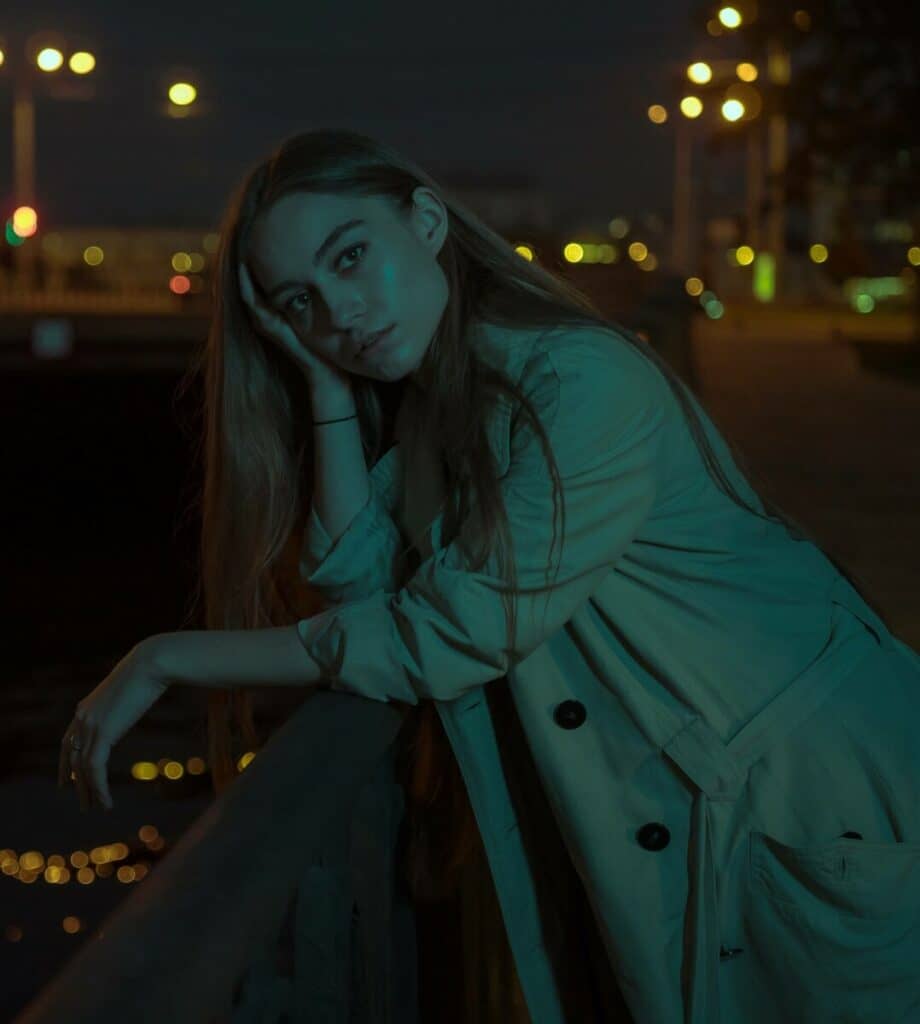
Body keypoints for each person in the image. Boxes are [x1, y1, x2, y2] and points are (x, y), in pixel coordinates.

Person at [178, 129, 920, 1023]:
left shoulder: (576, 378)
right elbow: (362, 592)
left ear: (424, 220)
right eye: (301, 301)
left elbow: (451, 634)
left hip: (805, 796)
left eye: (351, 256)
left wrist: (171, 658)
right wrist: (326, 393)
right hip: (717, 795)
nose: (338, 314)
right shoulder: (442, 403)